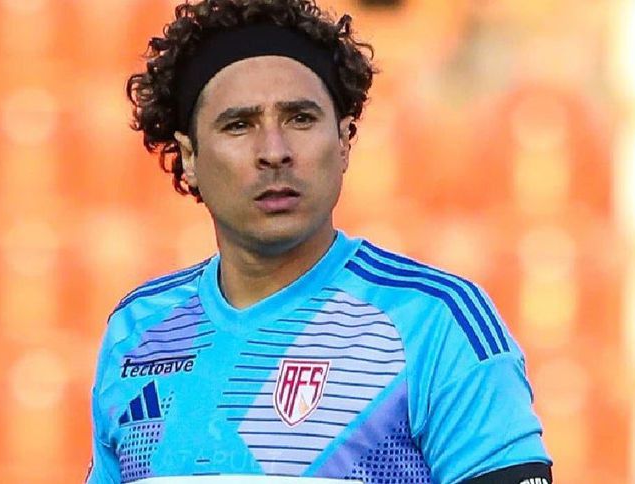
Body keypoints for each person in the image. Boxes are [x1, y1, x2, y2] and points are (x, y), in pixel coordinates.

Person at [87, 0, 552, 482]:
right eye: (239, 125)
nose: (274, 152)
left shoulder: (435, 320)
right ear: (189, 157)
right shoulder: (139, 330)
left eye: (300, 119)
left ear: (345, 140)